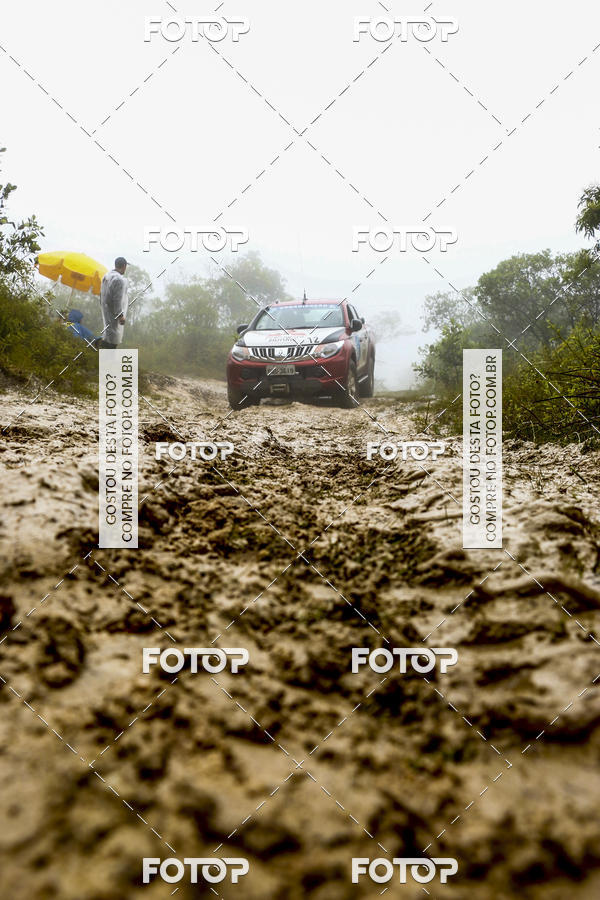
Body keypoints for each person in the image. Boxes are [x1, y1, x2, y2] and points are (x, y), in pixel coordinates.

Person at [99, 256, 128, 348]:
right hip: (114, 314)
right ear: (124, 266)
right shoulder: (119, 280)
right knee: (113, 339)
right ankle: (107, 361)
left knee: (107, 335)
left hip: (106, 311)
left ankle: (101, 359)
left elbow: (102, 295)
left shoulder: (106, 276)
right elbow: (117, 299)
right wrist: (120, 316)